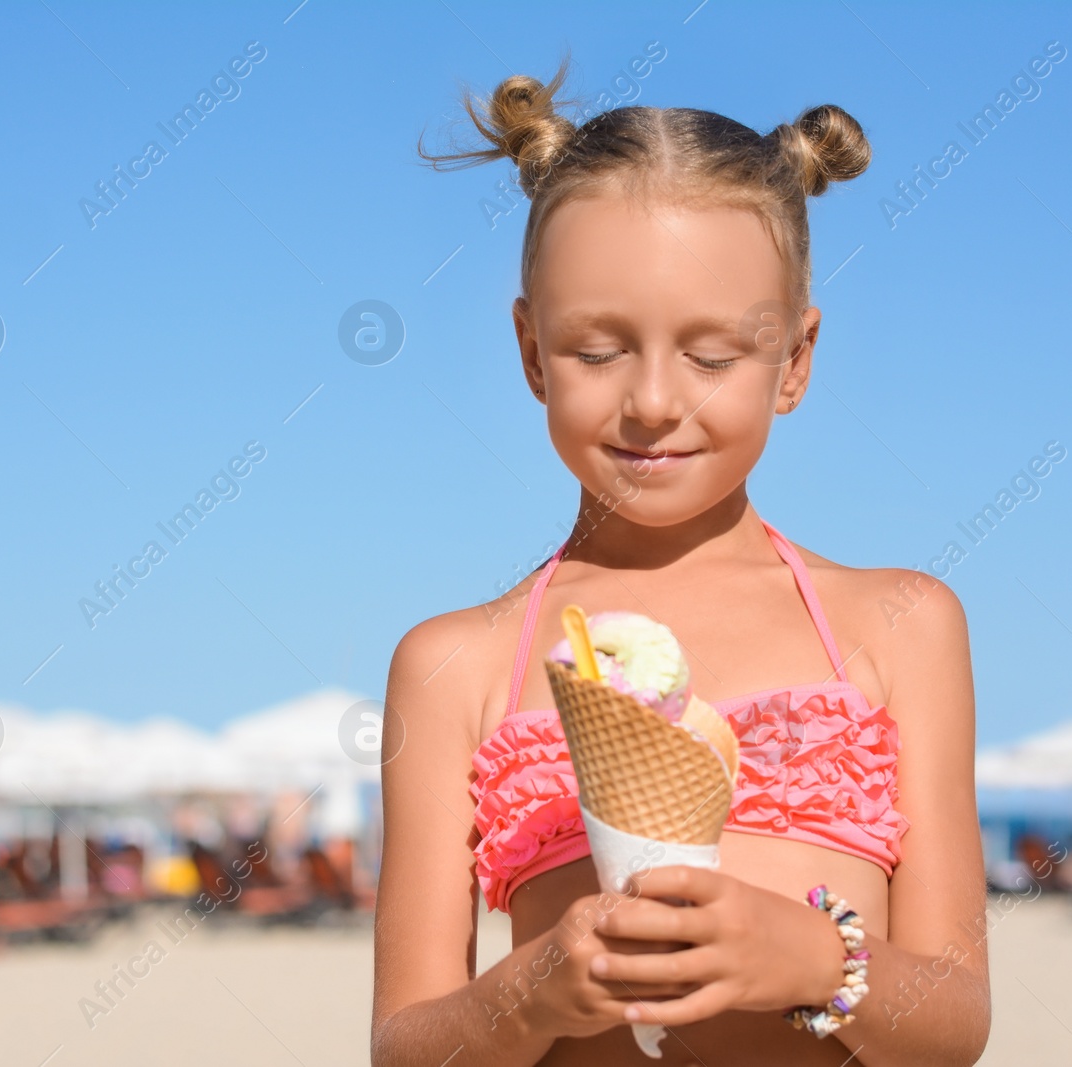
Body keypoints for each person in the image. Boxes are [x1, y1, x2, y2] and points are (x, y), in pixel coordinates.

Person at [372, 56, 989, 1066]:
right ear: (530, 352)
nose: (654, 399)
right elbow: (407, 1044)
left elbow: (954, 1021)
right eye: (596, 349)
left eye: (711, 356)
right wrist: (536, 990)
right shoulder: (453, 664)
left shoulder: (900, 625)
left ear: (793, 358)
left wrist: (819, 960)